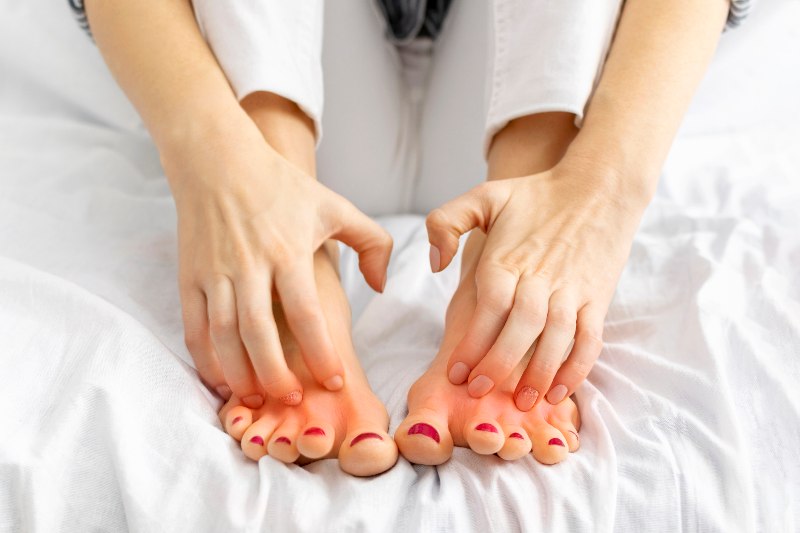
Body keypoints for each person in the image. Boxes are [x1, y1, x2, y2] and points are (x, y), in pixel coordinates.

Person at [75, 0, 749, 476]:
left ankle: (518, 239)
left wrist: (600, 193)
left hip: (514, 93)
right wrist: (212, 165)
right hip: (303, 93)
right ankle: (281, 225)